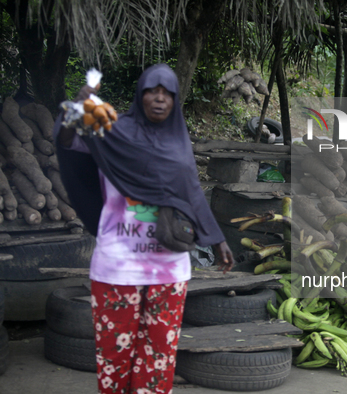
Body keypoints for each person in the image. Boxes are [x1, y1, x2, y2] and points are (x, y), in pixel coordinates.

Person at [53, 63, 234, 394]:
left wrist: (217, 239)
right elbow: (67, 142)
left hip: (169, 267)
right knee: (114, 357)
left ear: (176, 100)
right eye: (152, 90)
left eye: (167, 93)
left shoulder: (179, 145)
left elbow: (192, 191)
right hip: (116, 267)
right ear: (140, 95)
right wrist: (74, 109)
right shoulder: (110, 131)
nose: (160, 98)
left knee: (158, 359)